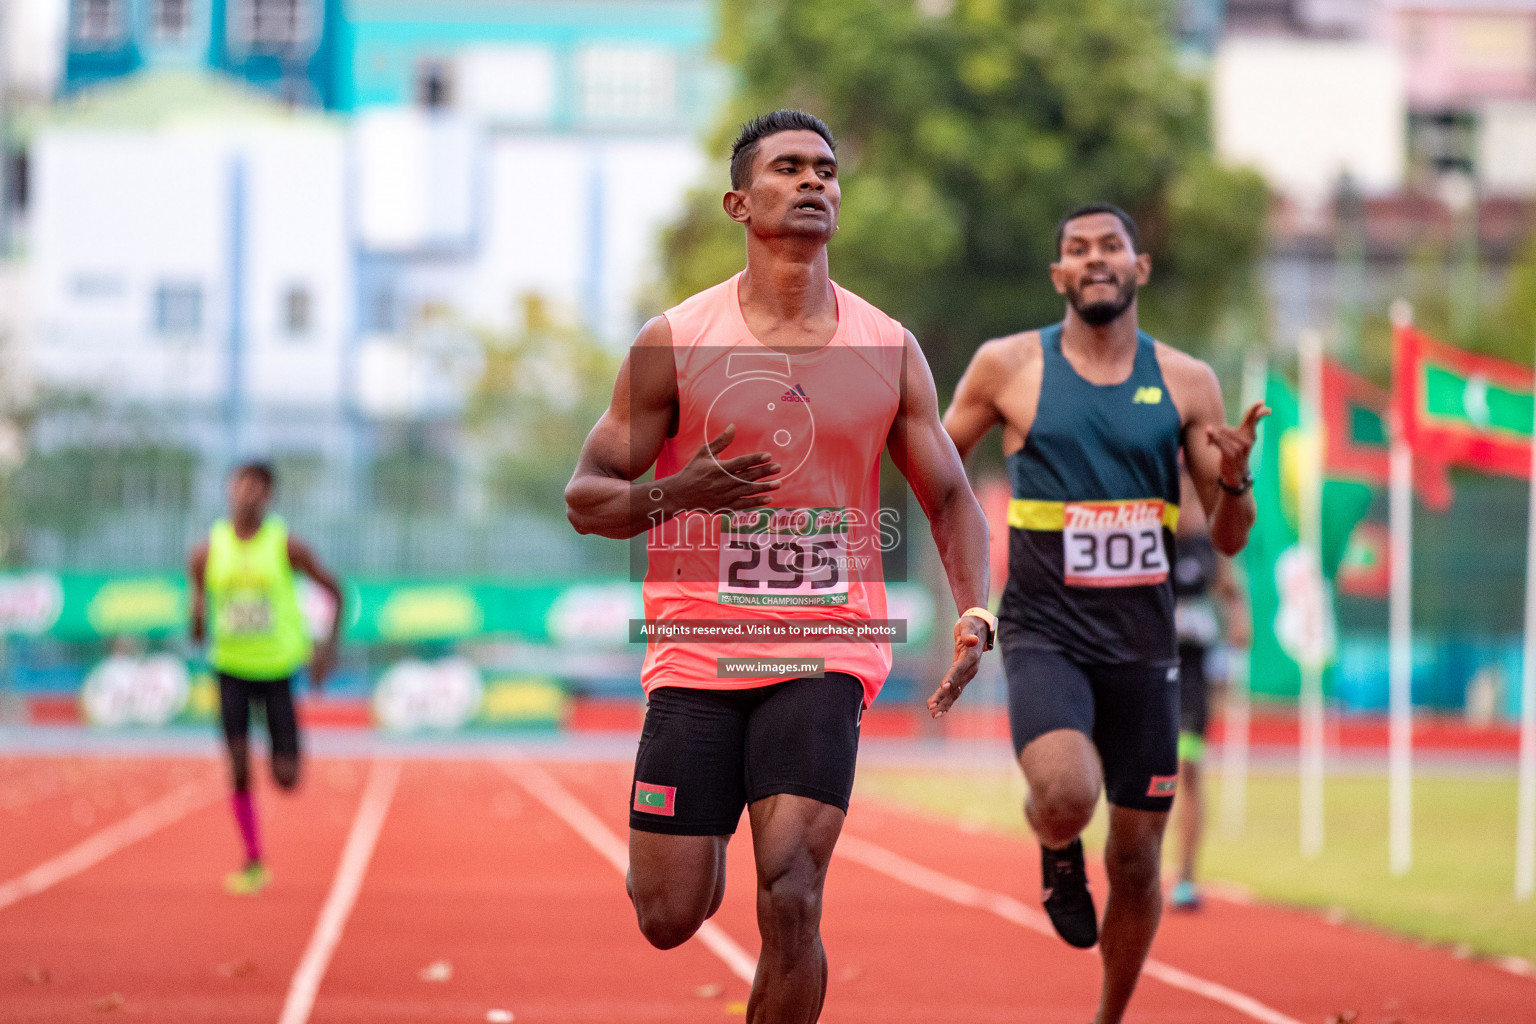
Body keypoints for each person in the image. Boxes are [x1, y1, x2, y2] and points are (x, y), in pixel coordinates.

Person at [565, 109, 992, 1024]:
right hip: (696, 651)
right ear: (738, 201)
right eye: (789, 168)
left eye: (827, 171)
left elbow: (951, 497)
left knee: (792, 887)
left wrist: (974, 611)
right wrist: (683, 493)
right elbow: (586, 496)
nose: (814, 183)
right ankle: (705, 823)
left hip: (827, 647)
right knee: (669, 913)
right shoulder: (677, 340)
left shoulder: (888, 347)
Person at [942, 204, 1267, 1024]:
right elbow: (936, 470)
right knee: (1065, 792)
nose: (1094, 259)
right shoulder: (1007, 367)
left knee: (1135, 857)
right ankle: (1055, 850)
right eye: (1076, 250)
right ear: (1058, 275)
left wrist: (1233, 479)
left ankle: (1109, 1016)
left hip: (1144, 646)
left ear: (1139, 267)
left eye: (1110, 247)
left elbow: (1227, 538)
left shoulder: (1189, 382)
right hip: (1046, 631)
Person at [188, 461, 344, 896]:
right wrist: (197, 619)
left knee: (287, 778)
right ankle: (253, 858)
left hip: (277, 669)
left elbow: (336, 591)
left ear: (269, 496)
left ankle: (288, 749)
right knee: (237, 764)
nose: (248, 492)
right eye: (241, 483)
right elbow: (196, 618)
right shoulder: (205, 552)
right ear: (228, 488)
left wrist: (327, 647)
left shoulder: (288, 546)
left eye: (258, 486)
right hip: (230, 668)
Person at [1168, 467, 1248, 911]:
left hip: (1193, 675)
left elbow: (1232, 595)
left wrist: (1238, 624)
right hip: (1151, 673)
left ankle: (1185, 875)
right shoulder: (1151, 540)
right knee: (1147, 773)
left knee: (1190, 768)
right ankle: (1137, 863)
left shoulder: (1209, 548)